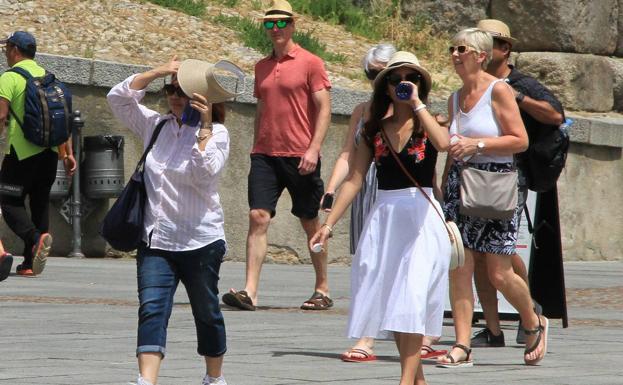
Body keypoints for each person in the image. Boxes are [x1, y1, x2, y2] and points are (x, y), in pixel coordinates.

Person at [310, 50, 451, 385]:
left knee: (412, 297)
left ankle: (404, 381)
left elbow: (444, 144)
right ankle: (416, 380)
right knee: (396, 302)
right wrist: (328, 225)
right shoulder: (374, 131)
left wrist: (417, 104)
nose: (404, 84)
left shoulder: (432, 122)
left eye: (412, 78)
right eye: (396, 78)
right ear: (385, 87)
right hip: (386, 217)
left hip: (421, 217)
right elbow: (355, 179)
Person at [107, 56, 230, 385]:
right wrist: (160, 71)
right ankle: (146, 381)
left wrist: (203, 124)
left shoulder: (217, 133)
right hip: (155, 240)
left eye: (183, 90)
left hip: (200, 241)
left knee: (206, 312)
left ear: (202, 97)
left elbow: (204, 174)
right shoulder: (155, 125)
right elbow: (118, 97)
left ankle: (213, 377)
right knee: (151, 308)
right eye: (170, 89)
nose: (175, 96)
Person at [436, 28, 549, 368]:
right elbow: (453, 149)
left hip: (496, 185)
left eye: (462, 49)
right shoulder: (455, 97)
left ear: (481, 55)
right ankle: (461, 344)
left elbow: (520, 140)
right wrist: (443, 186)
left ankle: (533, 321)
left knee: (498, 273)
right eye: (452, 48)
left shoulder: (499, 91)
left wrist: (478, 144)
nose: (455, 54)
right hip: (460, 185)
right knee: (460, 267)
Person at [222, 0, 332, 311]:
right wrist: (257, 143)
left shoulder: (311, 63)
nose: (275, 29)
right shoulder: (261, 67)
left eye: (281, 23)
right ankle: (250, 292)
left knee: (310, 221)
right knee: (258, 216)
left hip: (300, 154)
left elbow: (324, 108)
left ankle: (322, 288)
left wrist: (314, 148)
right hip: (265, 154)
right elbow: (261, 107)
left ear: (293, 25)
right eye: (269, 24)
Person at [470, 19, 564, 348]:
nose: (479, 49)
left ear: (504, 49)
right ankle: (493, 329)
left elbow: (555, 115)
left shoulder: (518, 81)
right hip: (474, 177)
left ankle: (532, 314)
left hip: (511, 176)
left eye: (487, 42)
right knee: (479, 256)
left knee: (498, 255)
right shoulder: (473, 84)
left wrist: (517, 95)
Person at [0, 31, 76, 277]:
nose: (4, 53)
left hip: (21, 153)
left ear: (14, 50)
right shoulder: (49, 78)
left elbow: (1, 115)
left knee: (9, 200)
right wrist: (67, 154)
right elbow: (62, 119)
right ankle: (30, 264)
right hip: (50, 154)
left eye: (6, 48)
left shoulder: (9, 78)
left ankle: (34, 239)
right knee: (39, 203)